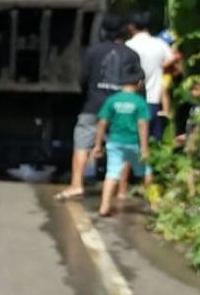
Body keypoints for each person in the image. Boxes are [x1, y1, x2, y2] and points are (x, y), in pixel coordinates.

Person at [55, 14, 143, 201]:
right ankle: (121, 190)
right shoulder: (131, 54)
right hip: (121, 109)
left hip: (93, 106)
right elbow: (138, 83)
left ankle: (76, 185)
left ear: (103, 31)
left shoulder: (92, 52)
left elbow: (82, 79)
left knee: (81, 144)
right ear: (125, 31)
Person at [92, 75, 152, 217]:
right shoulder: (139, 102)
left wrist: (97, 145)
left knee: (112, 173)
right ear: (139, 84)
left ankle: (104, 206)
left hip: (114, 143)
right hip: (134, 143)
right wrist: (144, 148)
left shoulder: (112, 100)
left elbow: (102, 122)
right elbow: (142, 124)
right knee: (146, 172)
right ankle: (153, 204)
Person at [125, 12, 178, 142]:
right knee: (155, 143)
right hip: (155, 100)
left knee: (133, 143)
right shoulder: (160, 44)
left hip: (133, 100)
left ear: (131, 27)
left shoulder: (128, 46)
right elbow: (173, 58)